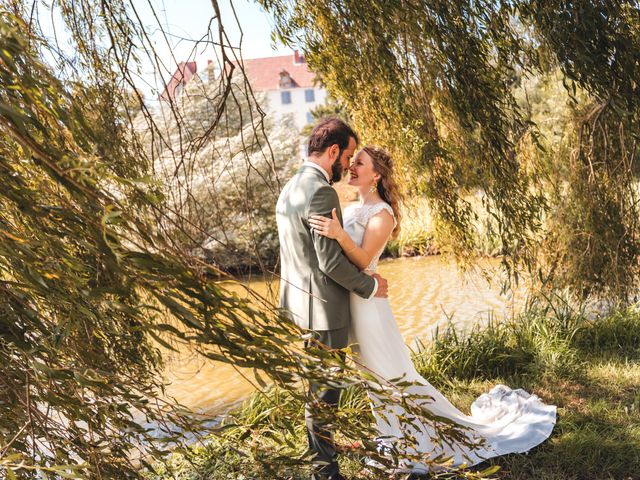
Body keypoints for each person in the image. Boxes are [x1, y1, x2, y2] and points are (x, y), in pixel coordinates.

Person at [308, 145, 556, 475]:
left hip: (369, 308)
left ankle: (417, 443)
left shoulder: (382, 213)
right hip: (353, 302)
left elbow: (365, 260)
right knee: (373, 379)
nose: (351, 167)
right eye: (352, 163)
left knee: (393, 377)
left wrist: (338, 234)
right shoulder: (354, 206)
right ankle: (393, 440)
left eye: (359, 163)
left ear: (377, 174)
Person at [275, 118, 389, 480]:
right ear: (334, 151)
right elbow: (329, 263)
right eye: (349, 155)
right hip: (326, 310)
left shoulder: (291, 187)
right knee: (326, 393)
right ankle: (325, 471)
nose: (349, 165)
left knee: (316, 388)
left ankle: (319, 456)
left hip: (300, 306)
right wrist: (370, 287)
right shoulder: (322, 192)